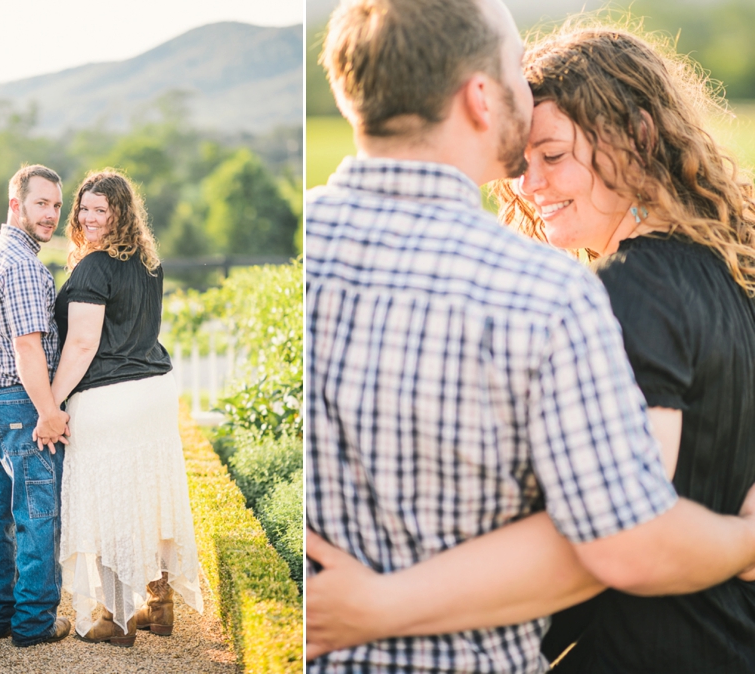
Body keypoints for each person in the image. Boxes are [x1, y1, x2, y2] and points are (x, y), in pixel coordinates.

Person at [305, 2, 755, 673]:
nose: (529, 183)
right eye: (525, 160)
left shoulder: (628, 290)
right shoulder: (723, 267)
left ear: (639, 137)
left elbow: (629, 536)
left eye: (552, 155)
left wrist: (380, 605)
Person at [35, 169, 203, 647]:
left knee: (104, 503)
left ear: (120, 214)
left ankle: (113, 618)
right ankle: (158, 604)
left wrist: (52, 400)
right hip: (154, 394)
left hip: (109, 397)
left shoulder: (94, 267)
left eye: (100, 210)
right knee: (147, 497)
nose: (88, 217)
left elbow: (85, 342)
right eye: (83, 208)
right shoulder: (149, 262)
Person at [0, 164, 72, 647]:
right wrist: (49, 411)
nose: (51, 214)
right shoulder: (26, 265)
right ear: (16, 204)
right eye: (41, 203)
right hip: (19, 403)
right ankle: (33, 625)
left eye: (56, 204)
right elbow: (29, 349)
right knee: (37, 514)